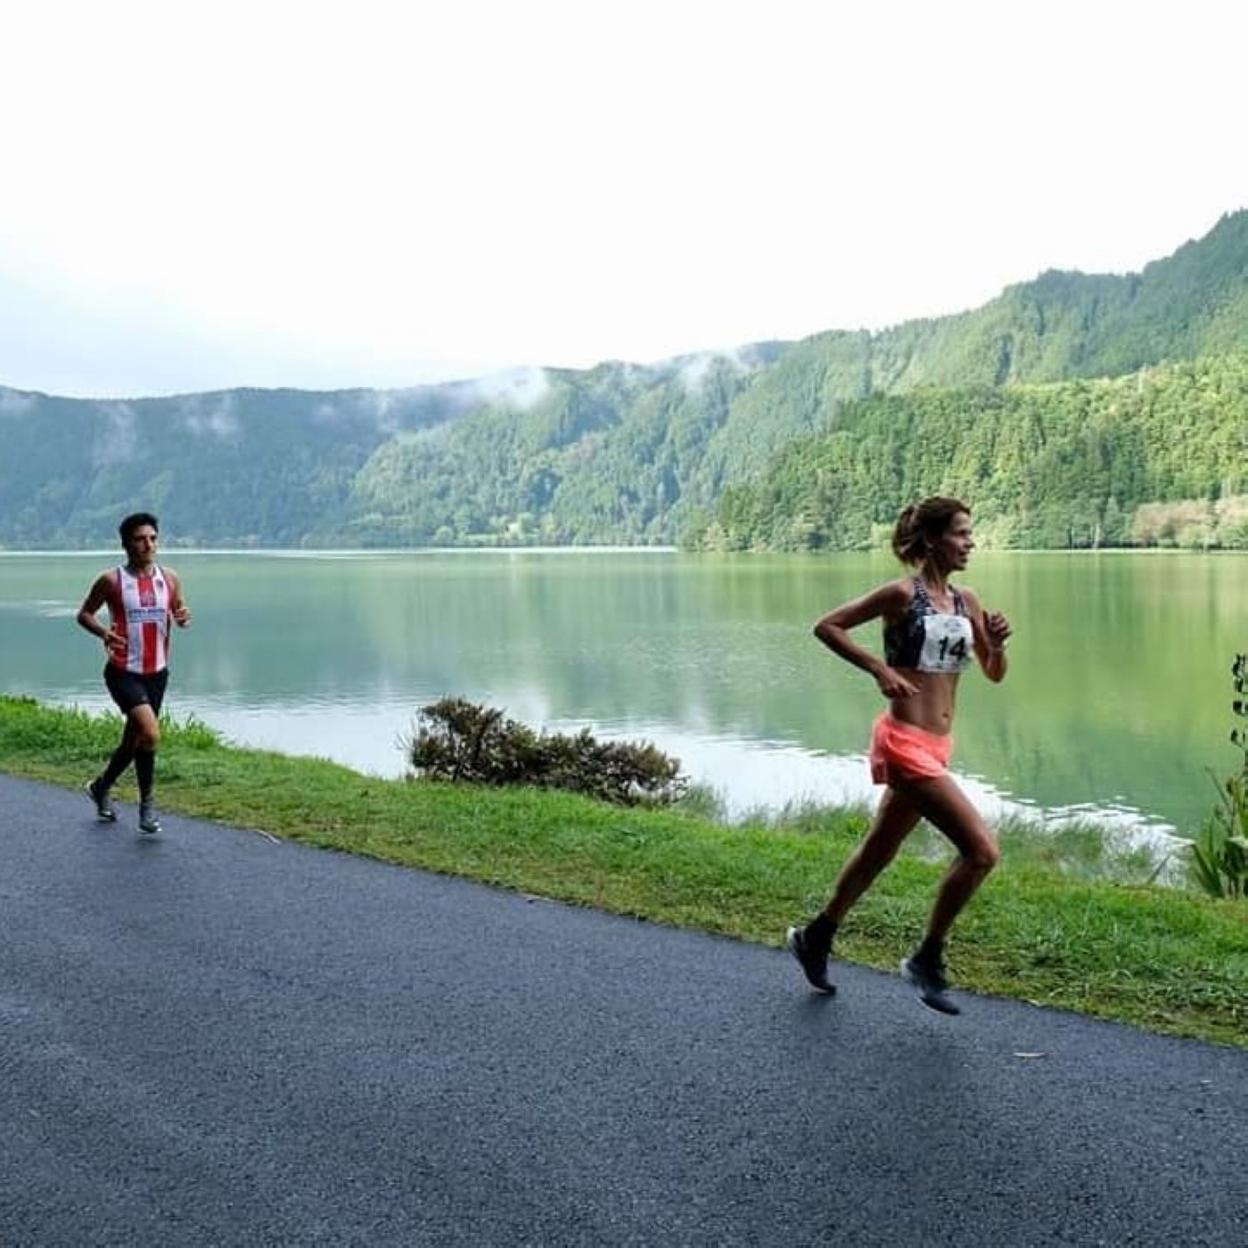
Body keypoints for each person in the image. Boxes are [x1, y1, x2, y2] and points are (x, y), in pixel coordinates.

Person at [787, 497, 1011, 1015]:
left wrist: (996, 646)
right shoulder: (901, 595)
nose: (970, 542)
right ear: (932, 540)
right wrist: (877, 668)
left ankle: (815, 937)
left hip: (938, 745)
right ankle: (927, 958)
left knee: (877, 850)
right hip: (904, 742)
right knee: (982, 852)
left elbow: (994, 672)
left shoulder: (966, 601)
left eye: (970, 533)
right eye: (960, 533)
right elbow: (828, 625)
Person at [77, 513, 191, 834]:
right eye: (140, 539)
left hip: (158, 672)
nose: (148, 545)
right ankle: (147, 804)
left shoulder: (169, 578)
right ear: (126, 543)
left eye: (153, 538)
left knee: (134, 741)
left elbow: (179, 610)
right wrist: (104, 633)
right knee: (151, 734)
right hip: (123, 671)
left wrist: (182, 617)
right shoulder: (112, 581)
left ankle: (100, 787)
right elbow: (84, 614)